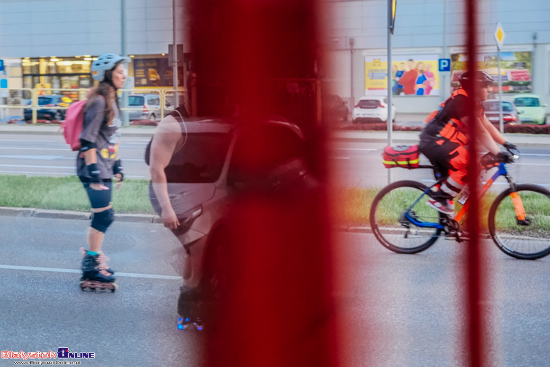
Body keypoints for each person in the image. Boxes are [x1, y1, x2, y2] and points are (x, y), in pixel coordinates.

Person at [418, 71, 518, 215]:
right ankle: (439, 199)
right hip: (434, 142)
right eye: (486, 86)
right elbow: (480, 131)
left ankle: (453, 222)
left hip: (445, 143)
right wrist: (498, 152)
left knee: (469, 179)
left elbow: (487, 126)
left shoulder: (474, 103)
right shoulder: (462, 101)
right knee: (469, 165)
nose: (489, 90)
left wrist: (506, 143)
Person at [78, 53, 129, 290]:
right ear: (107, 75)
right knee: (104, 216)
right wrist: (94, 173)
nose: (124, 75)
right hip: (93, 168)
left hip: (105, 165)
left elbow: (110, 138)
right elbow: (87, 141)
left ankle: (92, 258)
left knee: (103, 216)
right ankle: (91, 265)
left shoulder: (111, 101)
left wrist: (117, 166)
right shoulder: (99, 101)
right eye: (120, 71)